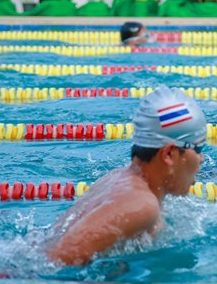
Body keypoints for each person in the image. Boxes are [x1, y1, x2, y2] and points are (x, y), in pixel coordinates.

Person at [47, 86, 207, 266]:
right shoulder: (142, 205)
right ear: (169, 154)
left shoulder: (117, 177)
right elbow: (56, 261)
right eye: (198, 148)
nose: (202, 158)